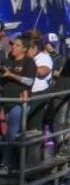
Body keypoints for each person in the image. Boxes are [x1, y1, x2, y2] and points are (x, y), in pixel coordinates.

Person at [0, 36, 37, 173]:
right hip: (5, 101)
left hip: (19, 101)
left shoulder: (29, 62)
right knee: (7, 135)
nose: (13, 47)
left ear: (24, 49)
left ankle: (6, 164)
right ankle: (11, 162)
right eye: (13, 45)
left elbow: (29, 81)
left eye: (17, 45)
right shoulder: (8, 60)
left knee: (12, 133)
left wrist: (11, 75)